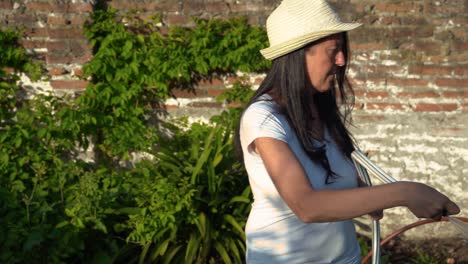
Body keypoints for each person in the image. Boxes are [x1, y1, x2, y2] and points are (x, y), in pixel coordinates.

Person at [234, 0, 460, 263]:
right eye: (333, 51)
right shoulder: (263, 118)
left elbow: (336, 185)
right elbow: (306, 206)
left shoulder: (319, 109)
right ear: (298, 54)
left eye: (342, 50)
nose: (341, 61)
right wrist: (407, 192)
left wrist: (369, 197)